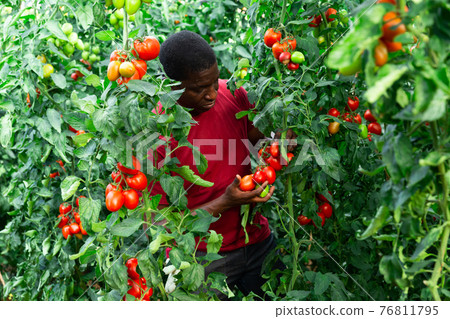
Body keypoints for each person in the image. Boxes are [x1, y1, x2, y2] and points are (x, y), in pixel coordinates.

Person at [149, 30, 290, 300]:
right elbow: (158, 226)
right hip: (200, 258)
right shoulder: (153, 134)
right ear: (171, 86)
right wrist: (225, 202)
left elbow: (258, 140)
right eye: (199, 88)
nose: (212, 94)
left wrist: (280, 140)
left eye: (214, 82)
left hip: (256, 240)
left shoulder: (231, 93)